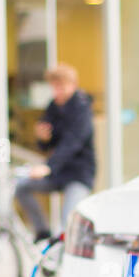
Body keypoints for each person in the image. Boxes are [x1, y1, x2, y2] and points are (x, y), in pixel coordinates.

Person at [16, 64, 95, 243]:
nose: (57, 91)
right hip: (58, 172)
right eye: (54, 87)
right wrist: (42, 138)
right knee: (22, 188)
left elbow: (72, 144)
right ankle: (42, 232)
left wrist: (48, 167)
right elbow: (47, 144)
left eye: (61, 86)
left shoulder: (82, 109)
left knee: (67, 221)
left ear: (73, 85)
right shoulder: (53, 106)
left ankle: (63, 260)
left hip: (78, 175)